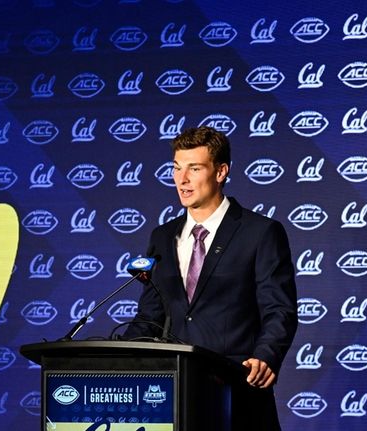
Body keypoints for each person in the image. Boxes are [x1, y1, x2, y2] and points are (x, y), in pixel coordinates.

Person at [123, 126, 298, 430]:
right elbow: (150, 315)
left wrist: (266, 356)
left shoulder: (260, 232)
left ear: (220, 172)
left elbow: (279, 309)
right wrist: (117, 359)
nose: (182, 179)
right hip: (173, 396)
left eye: (194, 168)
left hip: (237, 391)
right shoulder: (162, 237)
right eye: (177, 168)